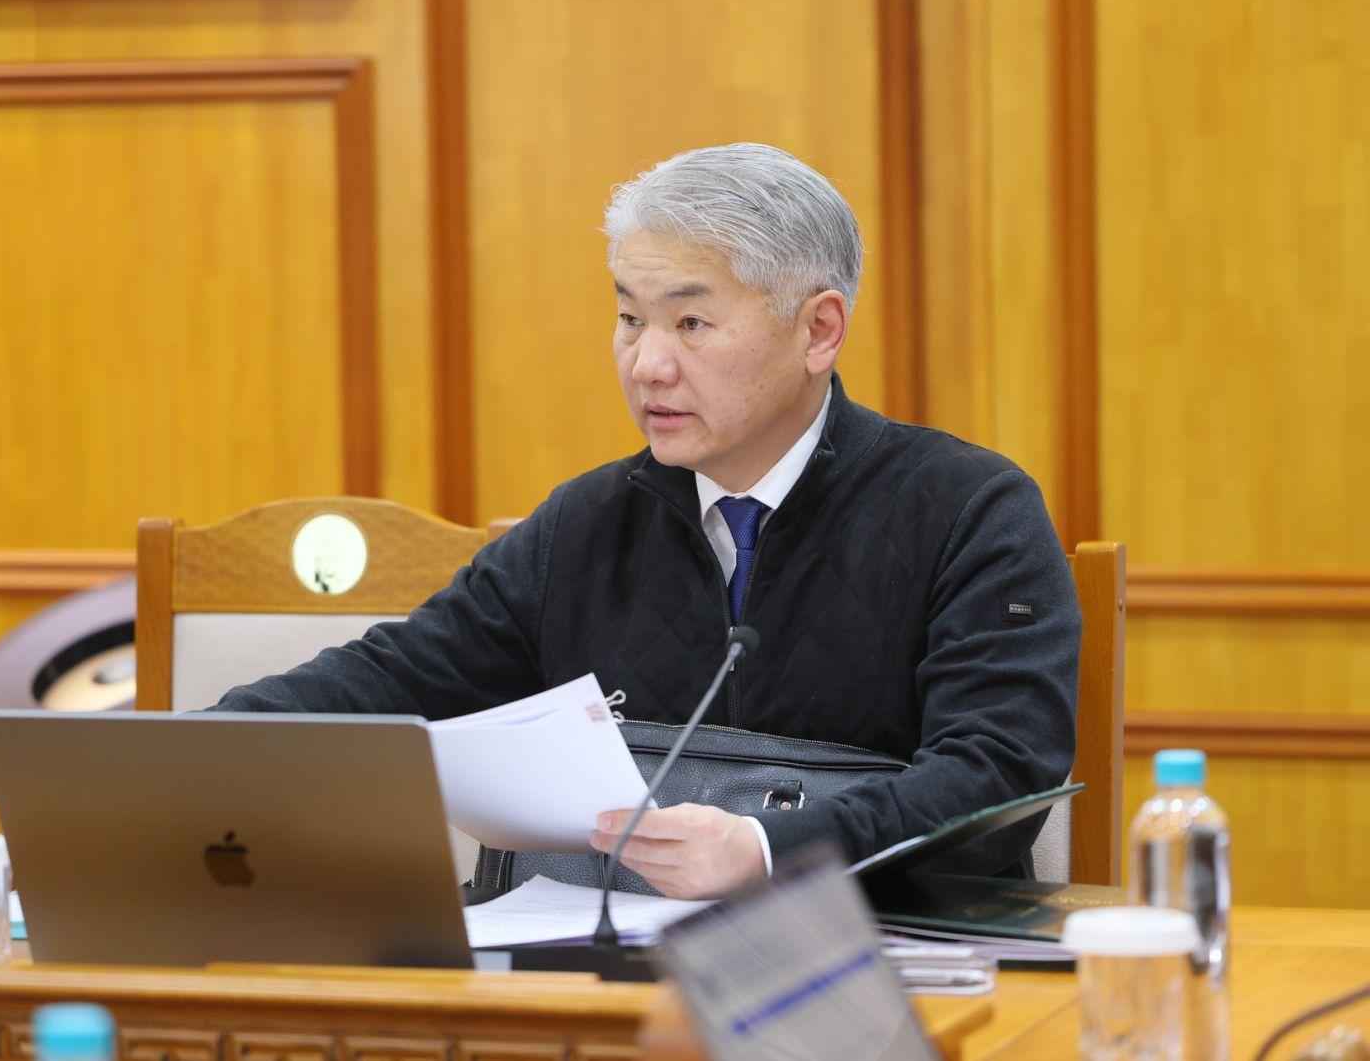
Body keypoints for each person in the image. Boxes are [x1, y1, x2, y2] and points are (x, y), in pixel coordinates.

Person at [210, 142, 1081, 900]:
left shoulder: (969, 511)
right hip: (593, 979)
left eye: (690, 322)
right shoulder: (587, 523)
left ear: (820, 331)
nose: (647, 364)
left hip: (877, 973)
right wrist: (187, 752)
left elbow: (996, 780)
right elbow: (392, 681)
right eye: (630, 318)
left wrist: (767, 849)